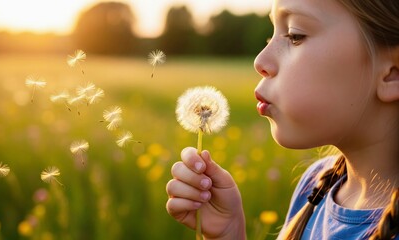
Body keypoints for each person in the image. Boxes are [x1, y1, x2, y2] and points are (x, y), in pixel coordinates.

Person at [165, 0, 399, 239]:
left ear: (392, 74)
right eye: (270, 36)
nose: (259, 61)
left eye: (295, 35)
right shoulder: (315, 186)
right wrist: (228, 232)